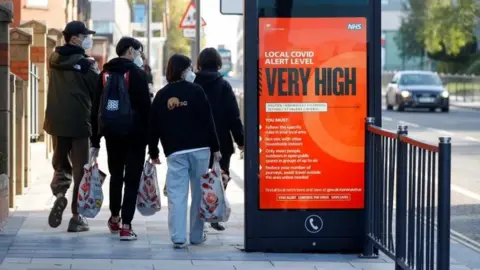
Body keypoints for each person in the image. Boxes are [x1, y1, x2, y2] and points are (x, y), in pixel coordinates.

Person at [148, 54, 221, 248]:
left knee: (177, 195)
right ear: (183, 70)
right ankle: (197, 236)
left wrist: (153, 152)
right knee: (198, 194)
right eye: (189, 68)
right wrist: (216, 148)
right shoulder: (197, 91)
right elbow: (208, 121)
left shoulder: (162, 95)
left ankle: (179, 237)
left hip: (175, 152)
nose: (192, 72)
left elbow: (153, 126)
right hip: (200, 150)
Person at [90, 37, 152, 241]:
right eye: (139, 51)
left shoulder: (104, 74)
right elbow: (146, 109)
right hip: (136, 135)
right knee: (132, 180)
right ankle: (127, 226)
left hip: (112, 133)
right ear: (130, 50)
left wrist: (95, 140)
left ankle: (114, 218)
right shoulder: (138, 74)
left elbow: (96, 108)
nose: (140, 55)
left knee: (116, 175)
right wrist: (153, 145)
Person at [43, 21, 99, 232]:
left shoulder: (53, 58)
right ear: (75, 38)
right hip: (79, 122)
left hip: (56, 121)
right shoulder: (87, 64)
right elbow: (97, 90)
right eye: (85, 36)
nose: (88, 39)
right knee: (80, 171)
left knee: (60, 164)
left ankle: (59, 194)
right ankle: (76, 217)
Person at [194, 47, 245, 231]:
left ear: (200, 63)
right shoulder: (223, 85)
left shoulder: (193, 84)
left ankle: (199, 217)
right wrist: (241, 140)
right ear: (218, 64)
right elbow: (233, 116)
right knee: (220, 176)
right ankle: (214, 213)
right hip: (221, 141)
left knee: (199, 179)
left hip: (196, 140)